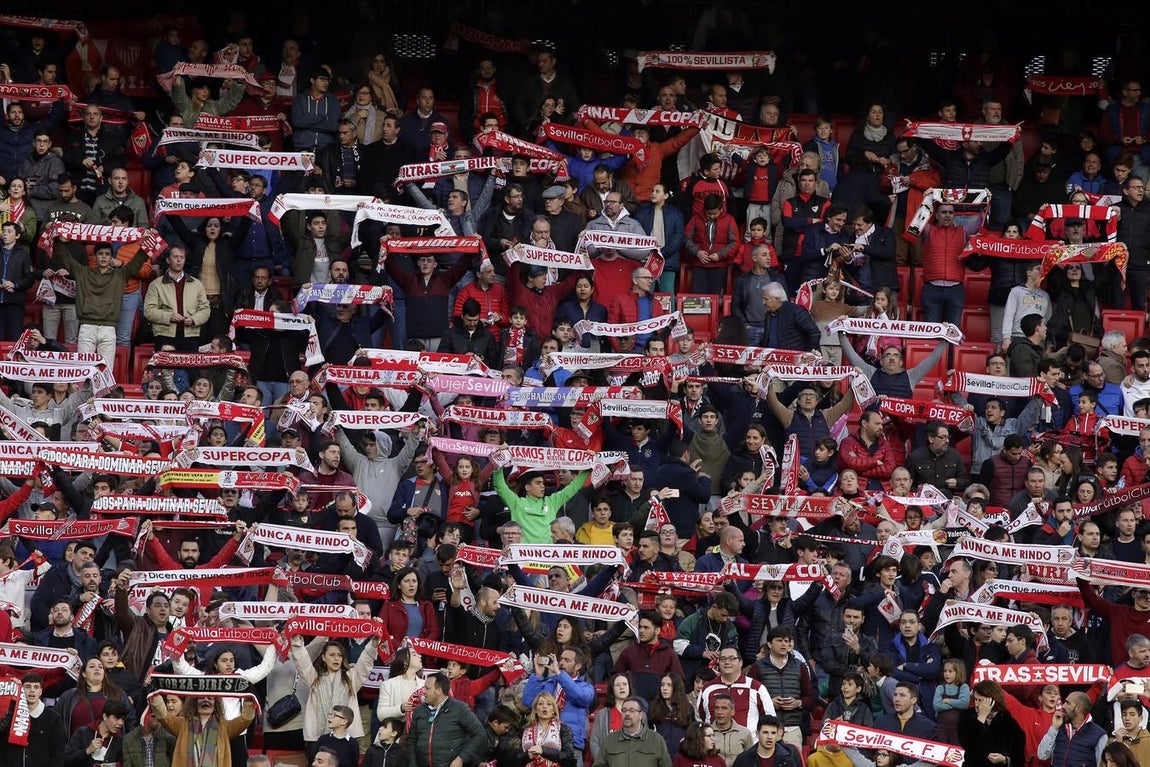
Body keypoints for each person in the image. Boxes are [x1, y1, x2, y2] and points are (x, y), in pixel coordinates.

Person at [150, 695, 256, 767]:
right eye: (201, 698)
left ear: (216, 704)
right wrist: (155, 694)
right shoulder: (183, 724)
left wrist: (249, 697)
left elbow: (245, 719)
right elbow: (163, 716)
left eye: (210, 698)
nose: (206, 701)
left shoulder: (224, 727)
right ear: (194, 702)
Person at [406, 673, 486, 767]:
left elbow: (480, 734)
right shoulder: (419, 710)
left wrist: (461, 758)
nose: (423, 691)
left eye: (427, 688)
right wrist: (413, 764)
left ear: (438, 690)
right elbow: (412, 740)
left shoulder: (459, 708)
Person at [957, 680, 1026, 767]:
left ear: (992, 701)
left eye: (980, 700)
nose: (977, 704)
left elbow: (1018, 757)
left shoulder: (1009, 723)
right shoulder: (966, 717)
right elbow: (967, 743)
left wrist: (1005, 759)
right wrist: (981, 718)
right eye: (975, 699)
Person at [592, 696, 672, 767]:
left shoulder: (656, 740)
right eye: (624, 710)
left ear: (641, 715)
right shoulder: (609, 740)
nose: (627, 713)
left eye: (632, 710)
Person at [1036, 691, 1107, 765]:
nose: (1063, 706)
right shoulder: (1059, 727)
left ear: (1078, 708)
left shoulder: (1099, 734)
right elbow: (1042, 755)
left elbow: (1101, 764)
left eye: (1067, 703)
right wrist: (1054, 728)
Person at [731, 718, 802, 767]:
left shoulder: (789, 757)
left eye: (773, 733)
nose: (769, 737)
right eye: (765, 732)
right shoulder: (744, 758)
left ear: (777, 735)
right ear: (757, 734)